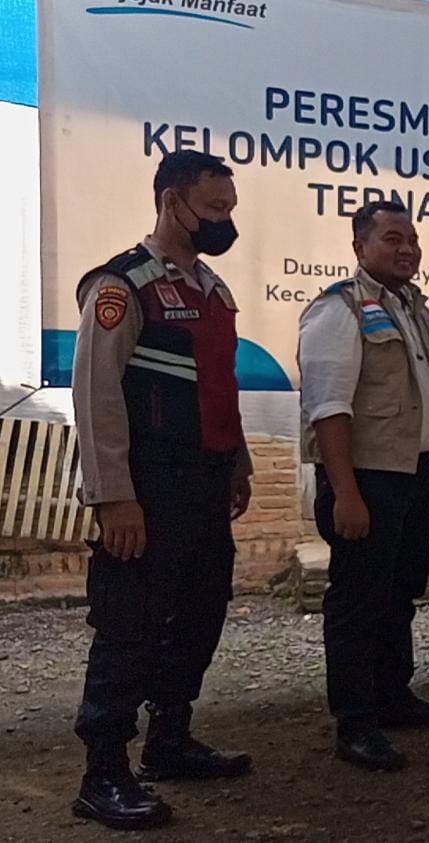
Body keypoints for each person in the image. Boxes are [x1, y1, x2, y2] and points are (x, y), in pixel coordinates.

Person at [70, 150, 254, 830]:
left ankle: (169, 738)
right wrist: (113, 495)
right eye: (213, 210)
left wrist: (237, 464)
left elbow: (217, 388)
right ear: (172, 201)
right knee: (130, 626)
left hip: (205, 483)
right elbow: (96, 395)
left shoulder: (213, 289)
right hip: (148, 484)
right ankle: (104, 773)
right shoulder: (122, 286)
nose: (224, 222)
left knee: (201, 613)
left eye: (230, 211)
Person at [298, 201, 429, 771]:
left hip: (411, 475)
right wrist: (345, 492)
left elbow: (427, 391)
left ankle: (393, 695)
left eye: (412, 239)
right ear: (360, 247)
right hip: (365, 479)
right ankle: (356, 723)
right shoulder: (338, 310)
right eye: (392, 238)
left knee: (399, 592)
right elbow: (328, 406)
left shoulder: (412, 307)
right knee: (358, 601)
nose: (407, 248)